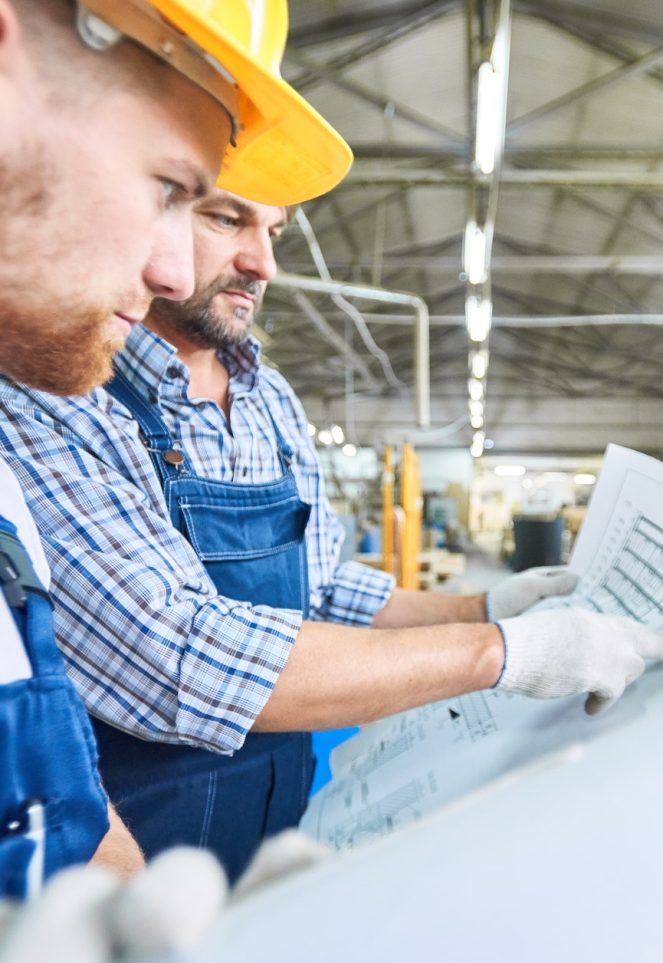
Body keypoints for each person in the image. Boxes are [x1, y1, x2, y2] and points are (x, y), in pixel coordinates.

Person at [1, 189, 662, 885]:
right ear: (148, 205)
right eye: (226, 219)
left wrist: (488, 607)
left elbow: (320, 588)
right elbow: (178, 659)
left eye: (275, 231)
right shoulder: (53, 396)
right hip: (130, 853)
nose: (262, 263)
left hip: (278, 812)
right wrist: (502, 652)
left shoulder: (269, 397)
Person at [0, 0, 351, 899]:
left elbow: (51, 800)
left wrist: (143, 939)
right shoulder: (48, 406)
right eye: (170, 190)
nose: (172, 272)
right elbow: (172, 657)